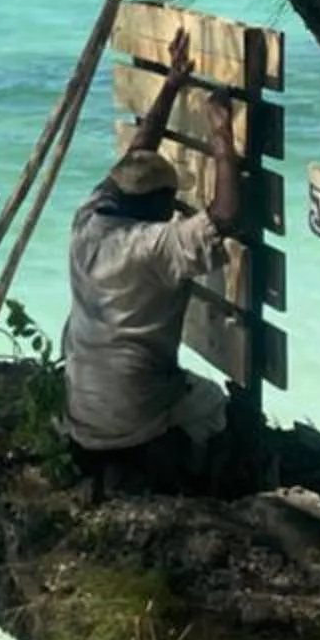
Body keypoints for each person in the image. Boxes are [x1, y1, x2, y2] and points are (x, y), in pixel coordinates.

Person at [63, 28, 242, 490]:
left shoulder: (89, 218)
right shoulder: (153, 246)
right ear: (158, 207)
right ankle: (199, 484)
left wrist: (172, 83)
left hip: (81, 407)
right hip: (134, 411)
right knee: (216, 406)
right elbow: (224, 215)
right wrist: (222, 134)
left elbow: (138, 154)